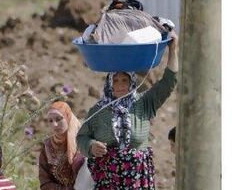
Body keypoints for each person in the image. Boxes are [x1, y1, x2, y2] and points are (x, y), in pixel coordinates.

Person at [76, 31, 179, 189]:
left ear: (132, 82)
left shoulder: (144, 103)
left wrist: (173, 50)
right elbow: (82, 137)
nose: (120, 85)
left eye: (125, 80)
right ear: (109, 83)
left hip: (138, 177)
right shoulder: (98, 110)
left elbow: (168, 81)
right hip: (108, 179)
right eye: (115, 80)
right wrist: (91, 145)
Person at [39, 101, 85, 190]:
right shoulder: (47, 147)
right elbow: (44, 182)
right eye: (50, 121)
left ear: (68, 117)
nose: (54, 125)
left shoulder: (83, 141)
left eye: (59, 119)